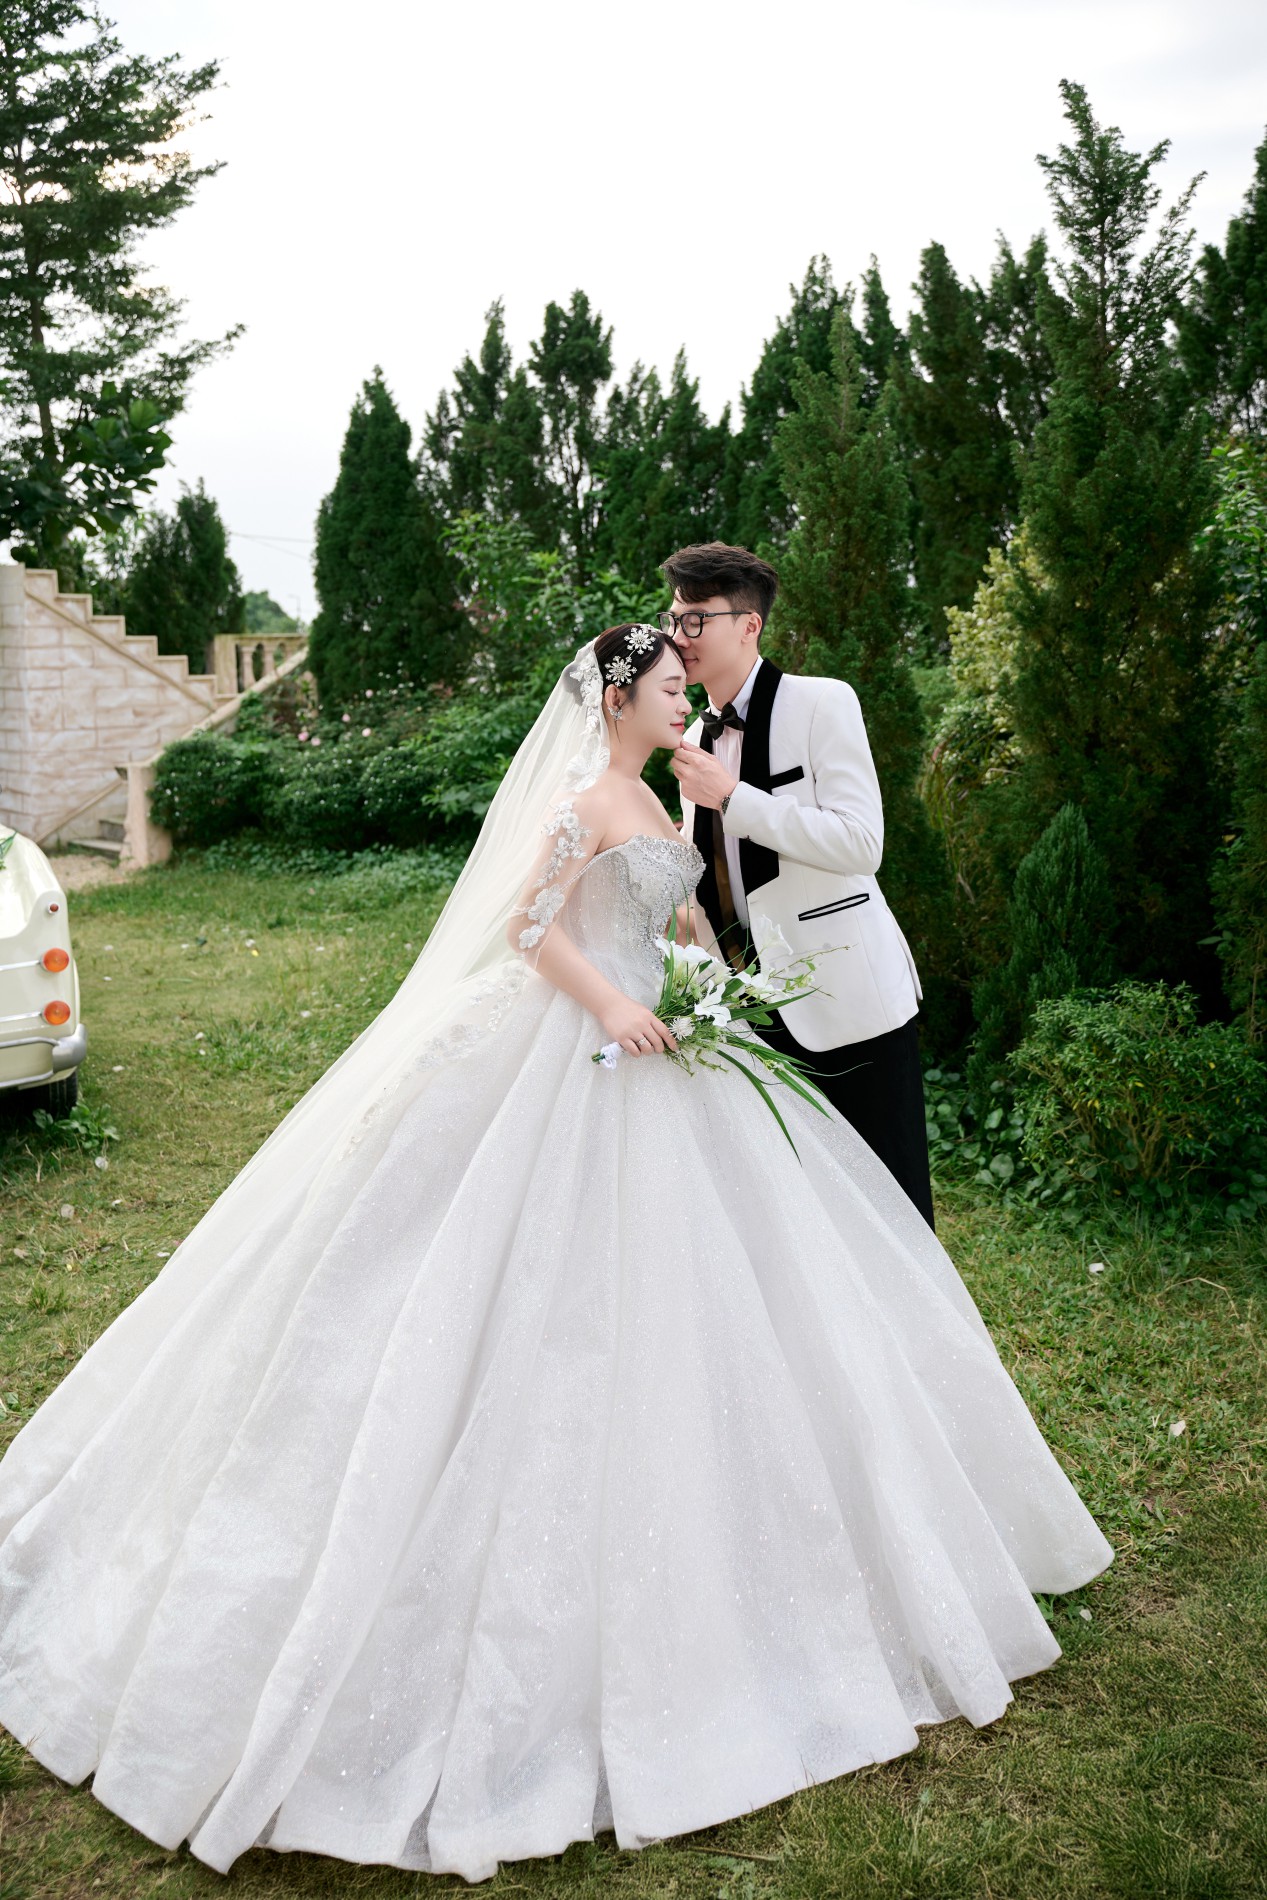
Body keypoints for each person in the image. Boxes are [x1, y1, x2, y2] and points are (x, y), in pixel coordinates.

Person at [0, 626, 1111, 1885]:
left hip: (672, 1052)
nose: (686, 701)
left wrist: (699, 979)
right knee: (534, 1293)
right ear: (619, 699)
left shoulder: (656, 793)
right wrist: (617, 1001)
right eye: (670, 688)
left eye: (687, 686)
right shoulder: (585, 799)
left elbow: (673, 910)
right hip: (581, 1050)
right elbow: (534, 928)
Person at [667, 541, 937, 1227]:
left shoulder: (821, 703)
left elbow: (861, 843)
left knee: (894, 1204)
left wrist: (734, 797)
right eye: (673, 619)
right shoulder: (692, 735)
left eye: (695, 619)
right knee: (807, 1220)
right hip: (750, 1010)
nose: (679, 636)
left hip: (847, 998)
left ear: (748, 625)